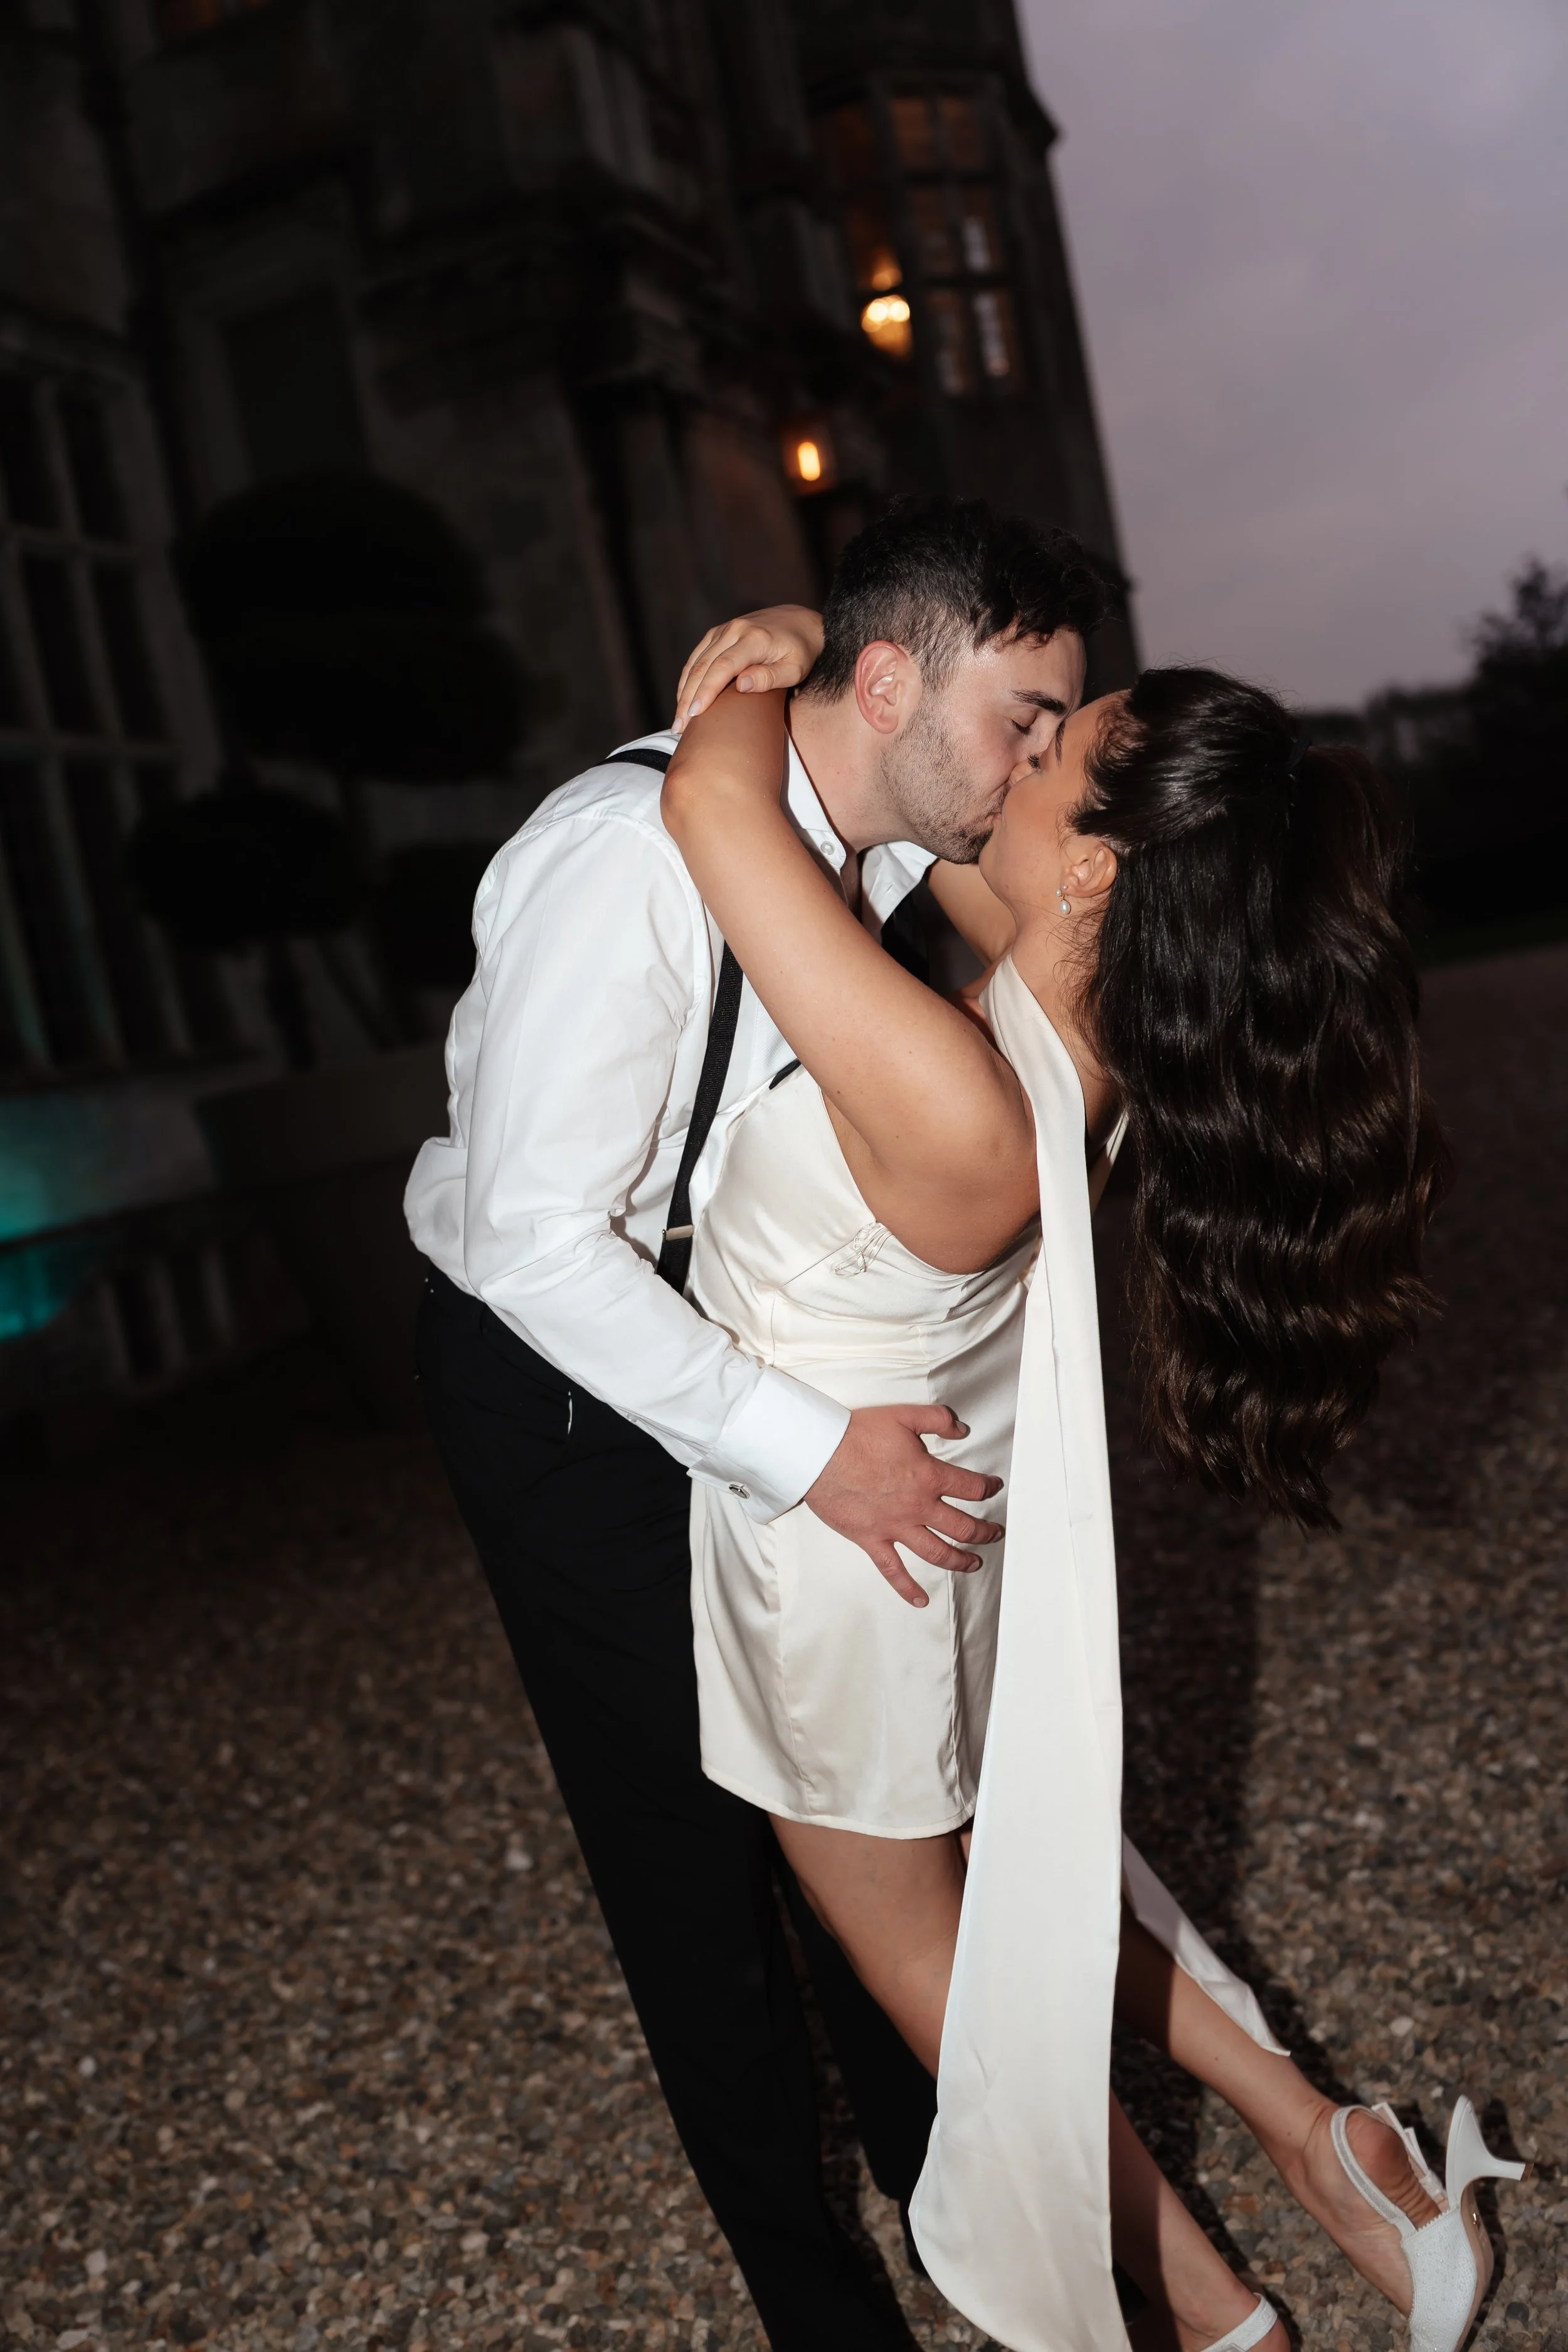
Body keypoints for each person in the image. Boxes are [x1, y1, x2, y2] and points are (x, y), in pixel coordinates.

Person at [660, 610, 1526, 2352]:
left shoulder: (955, 1090)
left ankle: (1220, 2323)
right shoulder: (1100, 1039)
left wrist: (783, 657)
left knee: (961, 1986)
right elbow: (936, 860)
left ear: (1096, 878)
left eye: (1044, 752)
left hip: (840, 1575)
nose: (1013, 754)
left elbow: (712, 814)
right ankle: (1324, 2142)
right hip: (941, 1523)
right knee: (1031, 1875)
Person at [405, 499, 1113, 2349]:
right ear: (891, 682)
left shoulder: (866, 830)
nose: (1038, 761)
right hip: (561, 1384)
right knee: (696, 1868)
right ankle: (827, 2319)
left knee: (850, 1810)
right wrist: (814, 1448)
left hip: (740, 1337)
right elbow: (528, 1247)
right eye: (1021, 718)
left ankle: (951, 2202)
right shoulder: (617, 863)